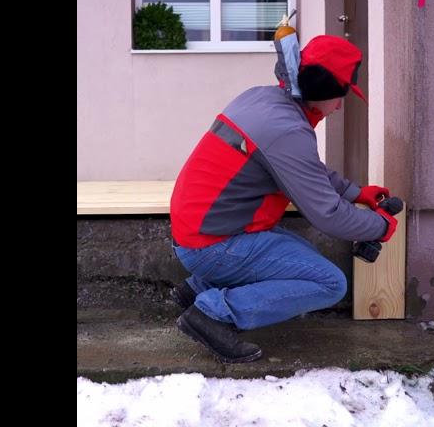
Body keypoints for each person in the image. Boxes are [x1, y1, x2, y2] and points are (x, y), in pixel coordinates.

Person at [169, 34, 398, 363]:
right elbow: (327, 215)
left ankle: (197, 288)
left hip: (204, 228)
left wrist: (356, 192)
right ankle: (211, 314)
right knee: (329, 283)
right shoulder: (287, 130)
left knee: (304, 255)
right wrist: (380, 227)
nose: (340, 105)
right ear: (321, 88)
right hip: (212, 243)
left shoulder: (263, 100)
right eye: (340, 95)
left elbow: (304, 169)